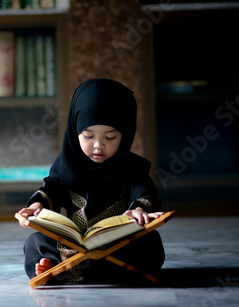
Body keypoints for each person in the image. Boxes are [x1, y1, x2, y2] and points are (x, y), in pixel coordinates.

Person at [16, 78, 166, 284]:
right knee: (36, 242)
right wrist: (36, 206)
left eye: (110, 137)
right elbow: (51, 189)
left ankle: (66, 270)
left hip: (115, 243)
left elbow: (145, 194)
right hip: (73, 243)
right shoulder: (66, 164)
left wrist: (139, 210)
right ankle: (55, 266)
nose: (98, 146)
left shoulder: (133, 167)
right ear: (74, 130)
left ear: (126, 134)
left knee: (150, 243)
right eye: (88, 136)